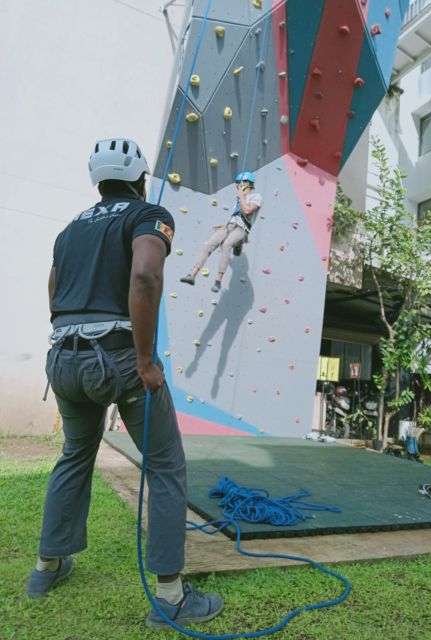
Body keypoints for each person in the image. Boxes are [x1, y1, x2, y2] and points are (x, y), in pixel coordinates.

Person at [26, 138, 223, 630]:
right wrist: (143, 360)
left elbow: (54, 288)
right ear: (140, 177)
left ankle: (46, 567)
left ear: (99, 180)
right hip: (117, 360)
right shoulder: (148, 214)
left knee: (74, 456)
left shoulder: (71, 228)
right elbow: (145, 277)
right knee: (165, 467)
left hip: (64, 361)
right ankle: (173, 597)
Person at [180, 171, 262, 293]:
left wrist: (241, 197)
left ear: (248, 184)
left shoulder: (256, 197)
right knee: (210, 244)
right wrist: (225, 225)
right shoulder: (238, 199)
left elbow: (248, 210)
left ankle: (218, 281)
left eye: (240, 183)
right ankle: (192, 275)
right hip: (230, 225)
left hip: (242, 229)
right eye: (237, 184)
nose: (238, 186)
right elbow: (236, 216)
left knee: (227, 244)